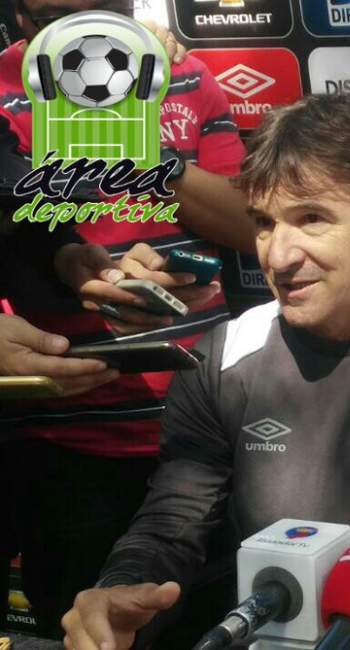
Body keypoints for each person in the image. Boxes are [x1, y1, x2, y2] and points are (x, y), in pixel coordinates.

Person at [60, 93, 350, 650]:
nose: (279, 256)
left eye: (312, 219)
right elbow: (173, 522)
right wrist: (120, 592)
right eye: (264, 223)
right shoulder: (222, 357)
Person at [0, 0, 253, 637]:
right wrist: (65, 263)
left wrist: (138, 147)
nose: (81, 27)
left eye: (101, 8)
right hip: (62, 446)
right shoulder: (2, 90)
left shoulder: (182, 73)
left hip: (201, 432)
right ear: (21, 17)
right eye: (53, 15)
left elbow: (253, 225)